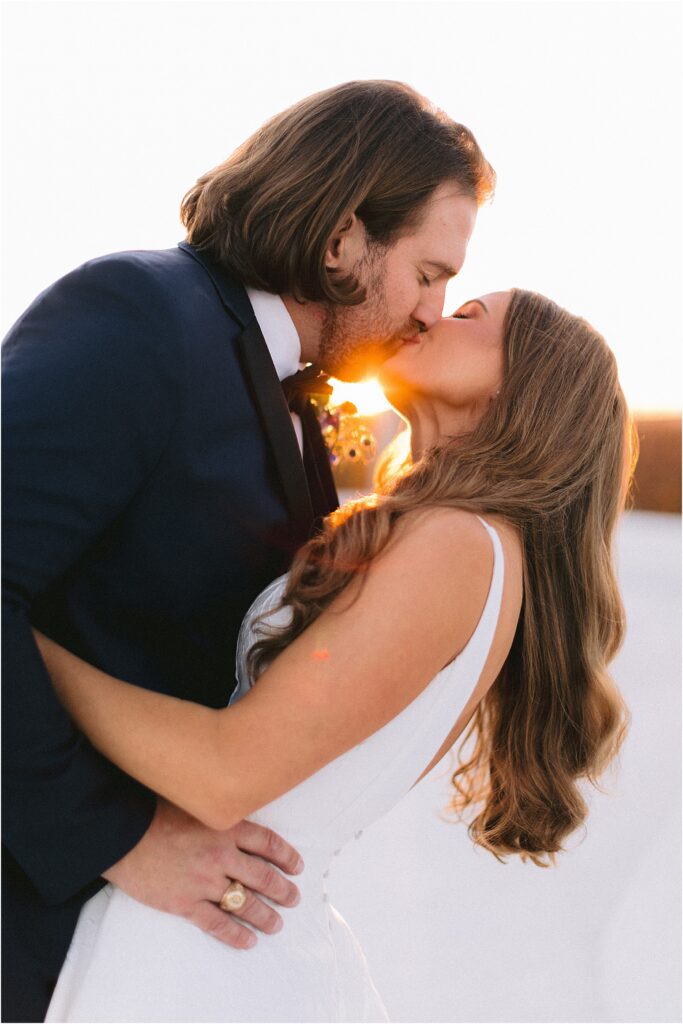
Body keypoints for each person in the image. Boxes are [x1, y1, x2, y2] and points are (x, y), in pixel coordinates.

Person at [1, 80, 495, 1022]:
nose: (434, 309)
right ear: (344, 237)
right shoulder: (140, 315)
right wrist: (119, 840)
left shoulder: (289, 397)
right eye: (429, 273)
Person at [33, 289, 633, 1023]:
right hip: (219, 928)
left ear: (524, 383)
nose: (430, 313)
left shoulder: (457, 544)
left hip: (203, 956)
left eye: (469, 315)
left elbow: (224, 776)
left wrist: (27, 649)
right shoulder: (462, 540)